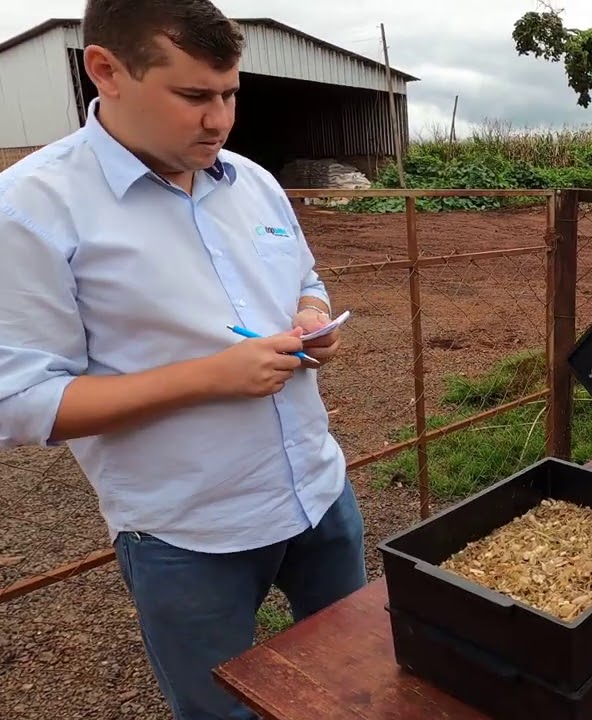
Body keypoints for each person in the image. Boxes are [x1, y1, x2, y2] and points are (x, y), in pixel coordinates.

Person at [0, 2, 367, 718]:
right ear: (104, 70)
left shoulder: (253, 181)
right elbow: (17, 403)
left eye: (230, 94)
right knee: (220, 710)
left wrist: (314, 318)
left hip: (320, 495)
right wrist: (211, 377)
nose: (220, 121)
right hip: (190, 533)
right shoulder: (31, 209)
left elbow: (304, 279)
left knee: (357, 681)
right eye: (194, 96)